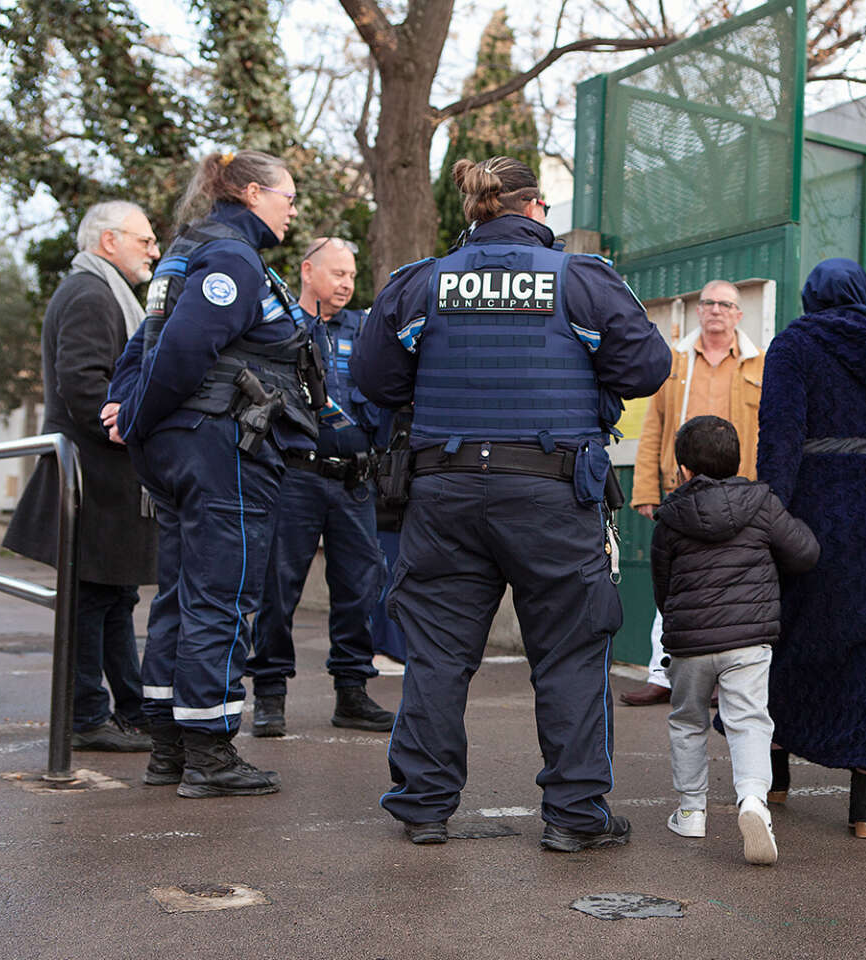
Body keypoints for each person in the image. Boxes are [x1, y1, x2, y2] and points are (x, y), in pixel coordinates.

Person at [352, 155, 669, 850]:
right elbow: (646, 367)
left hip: (443, 492)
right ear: (533, 209)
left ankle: (424, 804)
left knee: (436, 655)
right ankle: (575, 815)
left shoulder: (420, 283)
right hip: (552, 493)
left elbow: (374, 377)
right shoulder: (582, 281)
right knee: (570, 655)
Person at [105, 149, 319, 798]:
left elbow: (145, 340)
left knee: (181, 593)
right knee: (222, 598)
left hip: (184, 447)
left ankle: (169, 746)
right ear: (253, 193)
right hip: (220, 445)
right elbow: (183, 346)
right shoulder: (231, 256)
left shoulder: (187, 250)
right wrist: (138, 411)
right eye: (286, 197)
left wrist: (128, 403)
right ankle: (211, 752)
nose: (292, 209)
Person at [755, 257, 866, 838]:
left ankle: (775, 775)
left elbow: (778, 439)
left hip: (815, 513)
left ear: (811, 296)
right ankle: (865, 809)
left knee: (793, 639)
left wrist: (770, 516)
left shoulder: (793, 347)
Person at [3, 201, 161, 753]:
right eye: (144, 241)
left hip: (104, 477)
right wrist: (135, 427)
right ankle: (88, 718)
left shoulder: (97, 290)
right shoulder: (91, 294)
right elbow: (84, 386)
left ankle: (131, 710)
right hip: (93, 476)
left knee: (113, 598)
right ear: (108, 240)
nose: (154, 251)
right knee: (94, 600)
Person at [246, 237, 395, 737]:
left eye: (352, 275)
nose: (347, 284)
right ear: (308, 271)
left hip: (354, 480)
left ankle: (351, 692)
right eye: (337, 273)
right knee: (278, 588)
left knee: (359, 587)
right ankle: (269, 695)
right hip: (294, 477)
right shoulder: (281, 329)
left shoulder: (367, 330)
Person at [652, 415, 818, 865]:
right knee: (749, 720)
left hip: (689, 642)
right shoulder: (761, 503)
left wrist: (678, 622)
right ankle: (752, 801)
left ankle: (691, 811)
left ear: (683, 467)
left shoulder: (670, 516)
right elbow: (804, 552)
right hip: (748, 638)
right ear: (737, 459)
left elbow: (662, 584)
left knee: (687, 721)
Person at [623, 280, 765, 707]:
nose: (716, 310)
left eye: (726, 304)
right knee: (672, 585)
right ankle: (662, 675)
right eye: (709, 303)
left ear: (739, 314)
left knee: (737, 585)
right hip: (682, 489)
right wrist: (647, 488)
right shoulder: (676, 362)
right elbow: (653, 429)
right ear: (698, 310)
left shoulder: (760, 364)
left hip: (740, 491)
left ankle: (726, 685)